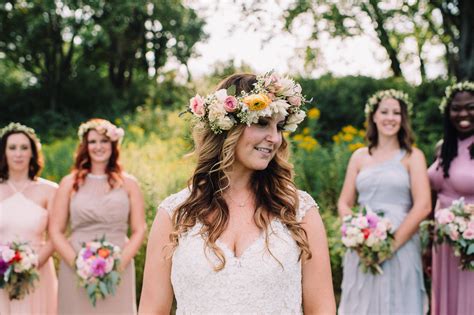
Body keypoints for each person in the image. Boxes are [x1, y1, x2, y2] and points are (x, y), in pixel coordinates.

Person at [139, 72, 336, 314]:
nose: (274, 138)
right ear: (227, 127)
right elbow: (152, 309)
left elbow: (322, 309)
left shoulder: (299, 210)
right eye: (262, 122)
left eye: (279, 126)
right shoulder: (175, 213)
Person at [337, 90, 431, 314]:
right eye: (385, 111)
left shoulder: (413, 156)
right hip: (363, 245)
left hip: (402, 242)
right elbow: (344, 202)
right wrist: (357, 236)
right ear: (374, 116)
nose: (390, 117)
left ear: (403, 118)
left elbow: (423, 205)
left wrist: (391, 246)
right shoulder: (359, 157)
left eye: (396, 113)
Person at [49, 118, 146, 314]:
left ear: (113, 144)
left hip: (118, 267)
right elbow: (55, 230)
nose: (98, 146)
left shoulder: (129, 184)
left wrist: (119, 263)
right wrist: (77, 263)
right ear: (85, 146)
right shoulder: (69, 183)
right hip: (75, 268)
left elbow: (139, 229)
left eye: (103, 141)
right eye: (92, 142)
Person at [0, 122, 58, 314]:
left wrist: (33, 264)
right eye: (12, 147)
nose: (18, 153)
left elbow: (55, 236)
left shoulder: (50, 190)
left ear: (32, 152)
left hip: (38, 272)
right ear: (4, 152)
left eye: (24, 148)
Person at [428, 81, 474, 315]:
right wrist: (426, 245)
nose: (463, 113)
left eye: (470, 106)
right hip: (442, 243)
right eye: (456, 108)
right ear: (448, 111)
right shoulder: (442, 148)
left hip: (470, 246)